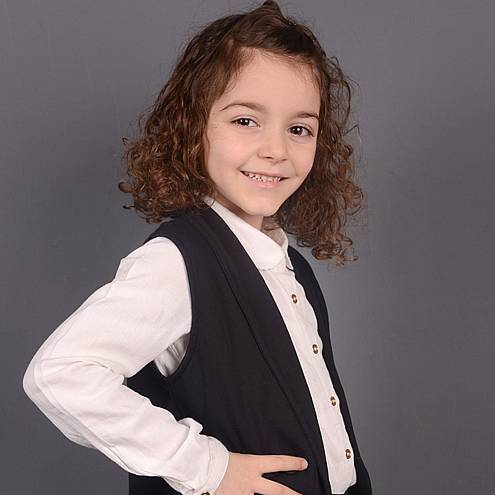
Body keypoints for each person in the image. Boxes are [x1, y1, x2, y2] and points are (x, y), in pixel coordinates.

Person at [22, 1, 372, 494]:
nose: (276, 149)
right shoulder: (177, 262)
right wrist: (209, 467)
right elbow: (60, 374)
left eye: (299, 129)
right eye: (245, 121)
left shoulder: (290, 266)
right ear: (192, 127)